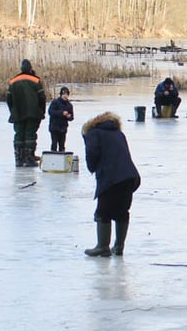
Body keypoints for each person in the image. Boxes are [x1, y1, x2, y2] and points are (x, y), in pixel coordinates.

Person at [82, 112, 141, 257]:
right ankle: (119, 246)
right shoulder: (119, 134)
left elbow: (92, 154)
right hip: (129, 176)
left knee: (103, 212)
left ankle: (102, 246)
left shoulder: (93, 133)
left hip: (111, 178)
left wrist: (92, 167)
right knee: (122, 212)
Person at [6, 59, 47, 167]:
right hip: (33, 113)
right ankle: (29, 158)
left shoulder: (13, 81)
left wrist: (13, 111)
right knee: (30, 135)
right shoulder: (36, 81)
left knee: (19, 135)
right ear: (30, 68)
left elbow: (8, 99)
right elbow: (42, 98)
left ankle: (19, 159)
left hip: (17, 113)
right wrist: (42, 111)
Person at [47, 86, 75, 152]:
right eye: (63, 94)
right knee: (54, 144)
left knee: (62, 145)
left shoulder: (69, 105)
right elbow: (50, 112)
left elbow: (72, 117)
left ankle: (62, 158)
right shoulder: (55, 102)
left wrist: (69, 116)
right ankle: (53, 157)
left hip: (63, 128)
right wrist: (61, 113)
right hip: (54, 127)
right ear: (61, 95)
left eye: (66, 94)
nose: (65, 96)